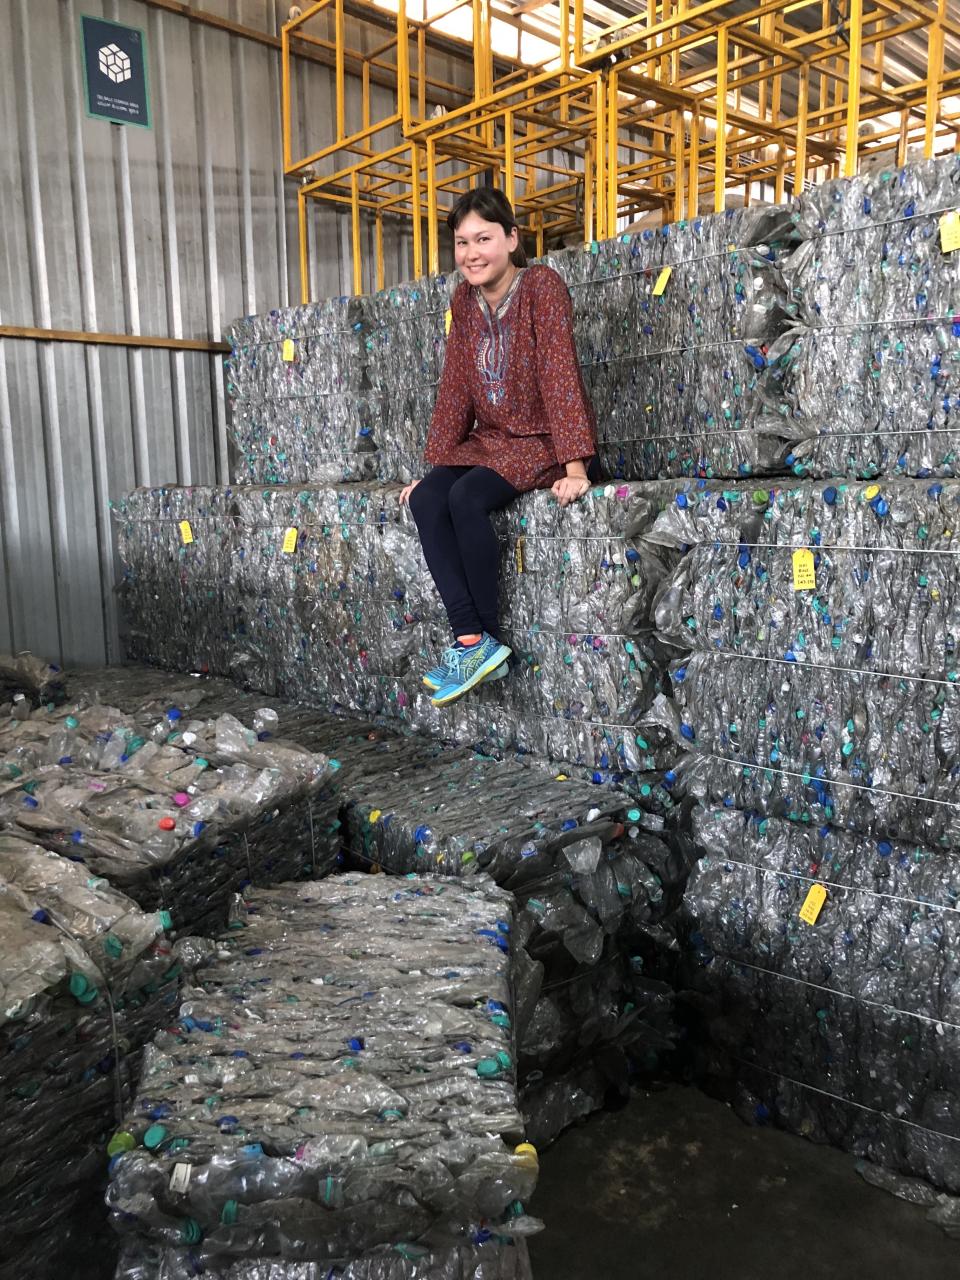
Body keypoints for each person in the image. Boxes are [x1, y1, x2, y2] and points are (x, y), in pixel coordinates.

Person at [399, 186, 599, 707]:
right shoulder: (464, 300)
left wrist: (575, 464)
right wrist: (435, 467)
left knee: (465, 499)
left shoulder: (541, 287)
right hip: (488, 440)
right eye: (462, 243)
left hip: (537, 438)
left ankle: (481, 636)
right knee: (428, 499)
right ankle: (471, 641)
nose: (471, 254)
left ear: (511, 239)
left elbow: (558, 371)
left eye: (483, 238)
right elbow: (456, 383)